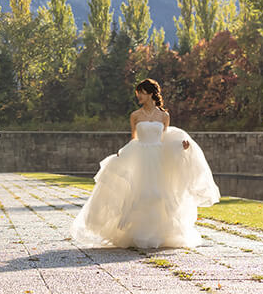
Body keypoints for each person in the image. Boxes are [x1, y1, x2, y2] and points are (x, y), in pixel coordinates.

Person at [71, 78, 220, 249]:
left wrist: (181, 147)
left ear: (150, 93)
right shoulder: (135, 115)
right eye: (137, 94)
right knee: (140, 194)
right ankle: (135, 234)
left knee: (159, 195)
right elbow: (134, 139)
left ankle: (159, 234)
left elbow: (164, 139)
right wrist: (123, 152)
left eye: (141, 93)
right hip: (141, 158)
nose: (138, 97)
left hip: (158, 158)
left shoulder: (164, 116)